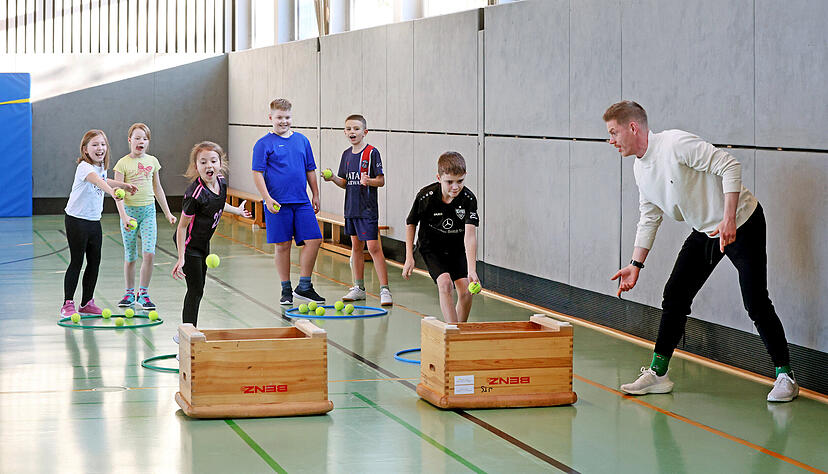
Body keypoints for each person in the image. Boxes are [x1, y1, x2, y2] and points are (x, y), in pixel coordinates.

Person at [604, 100, 798, 402]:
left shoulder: (675, 144)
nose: (611, 141)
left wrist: (729, 218)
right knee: (675, 294)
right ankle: (658, 374)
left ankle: (785, 375)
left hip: (743, 221)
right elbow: (649, 216)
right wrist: (635, 265)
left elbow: (729, 165)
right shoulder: (640, 168)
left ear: (632, 127)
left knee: (755, 300)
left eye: (614, 132)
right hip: (705, 230)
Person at [252, 98, 325, 306]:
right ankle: (286, 289)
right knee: (282, 245)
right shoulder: (263, 144)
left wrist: (316, 194)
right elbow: (257, 173)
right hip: (277, 203)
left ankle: (304, 286)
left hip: (301, 201)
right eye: (279, 118)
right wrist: (267, 198)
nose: (283, 121)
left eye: (287, 117)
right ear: (271, 118)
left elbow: (310, 169)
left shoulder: (302, 141)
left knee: (314, 240)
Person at [171, 141, 250, 330]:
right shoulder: (195, 195)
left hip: (203, 242)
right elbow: (182, 228)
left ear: (220, 163)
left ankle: (189, 331)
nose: (209, 166)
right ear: (196, 166)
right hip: (189, 245)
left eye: (213, 161)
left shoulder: (221, 182)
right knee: (195, 290)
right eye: (203, 162)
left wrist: (237, 211)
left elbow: (218, 204)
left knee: (199, 289)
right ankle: (186, 334)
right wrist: (181, 257)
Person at [61, 130, 136, 317]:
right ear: (85, 150)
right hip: (77, 220)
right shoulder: (84, 167)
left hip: (94, 220)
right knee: (77, 261)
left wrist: (123, 185)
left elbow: (102, 179)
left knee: (94, 262)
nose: (100, 148)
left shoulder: (100, 167)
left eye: (102, 144)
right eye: (95, 145)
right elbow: (97, 182)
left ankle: (87, 302)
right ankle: (67, 304)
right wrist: (112, 191)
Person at [322, 114, 392, 306]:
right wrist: (333, 178)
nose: (352, 132)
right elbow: (344, 182)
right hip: (351, 209)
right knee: (356, 248)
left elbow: (381, 180)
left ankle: (385, 290)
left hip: (367, 209)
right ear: (345, 132)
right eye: (348, 129)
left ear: (365, 132)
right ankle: (359, 288)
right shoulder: (346, 155)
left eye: (356, 129)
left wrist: (369, 181)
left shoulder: (372, 153)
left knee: (374, 248)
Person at [402, 151, 480, 323]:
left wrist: (472, 270)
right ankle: (452, 333)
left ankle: (457, 333)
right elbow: (411, 223)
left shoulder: (468, 199)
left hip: (457, 247)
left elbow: (470, 236)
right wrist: (409, 257)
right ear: (439, 177)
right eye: (449, 182)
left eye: (460, 181)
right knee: (445, 284)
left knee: (466, 291)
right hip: (432, 248)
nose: (455, 187)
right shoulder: (426, 196)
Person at [113, 123, 177, 310]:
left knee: (149, 253)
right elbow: (117, 193)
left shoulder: (152, 162)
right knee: (131, 256)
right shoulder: (122, 164)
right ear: (129, 140)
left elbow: (157, 188)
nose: (141, 141)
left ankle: (144, 293)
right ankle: (129, 292)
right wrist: (124, 216)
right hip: (130, 214)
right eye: (137, 138)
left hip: (148, 212)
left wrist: (167, 212)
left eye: (145, 138)